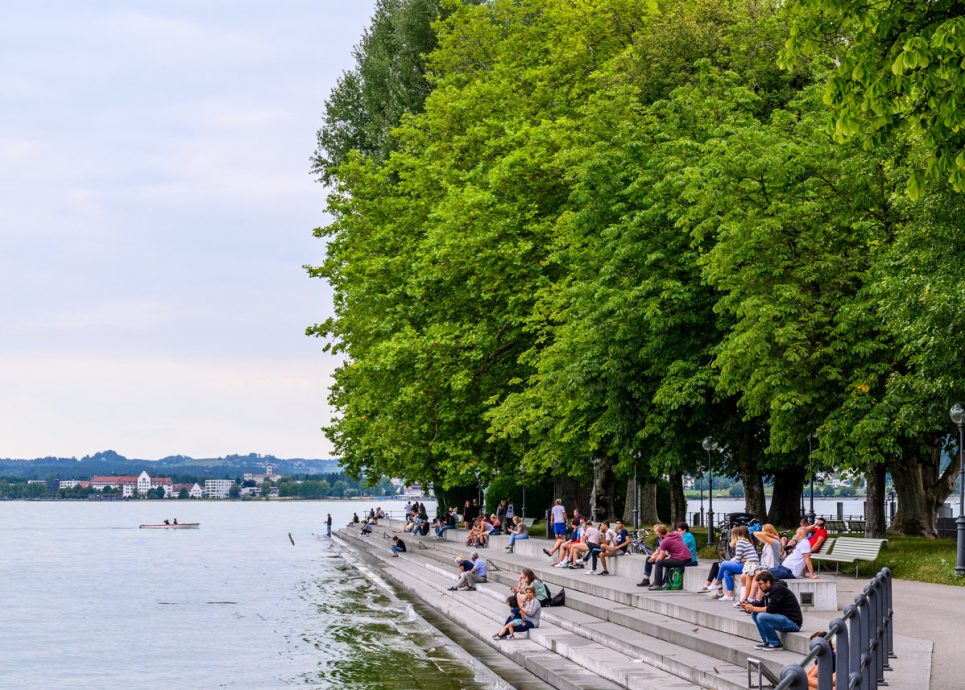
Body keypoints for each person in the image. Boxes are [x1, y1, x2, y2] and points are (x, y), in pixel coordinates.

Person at [739, 571, 803, 650]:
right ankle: (766, 641)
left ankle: (775, 643)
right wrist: (748, 606)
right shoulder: (769, 590)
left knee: (761, 616)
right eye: (758, 584)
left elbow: (771, 609)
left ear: (768, 582)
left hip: (793, 623)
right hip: (782, 619)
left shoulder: (778, 589)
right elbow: (761, 604)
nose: (759, 587)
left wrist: (753, 608)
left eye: (760, 584)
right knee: (755, 614)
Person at [714, 526, 759, 602]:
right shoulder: (744, 541)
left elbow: (737, 560)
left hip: (748, 566)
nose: (730, 537)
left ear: (734, 535)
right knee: (726, 571)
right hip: (748, 565)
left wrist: (736, 560)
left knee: (724, 564)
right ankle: (729, 594)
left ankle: (717, 582)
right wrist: (739, 560)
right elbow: (738, 559)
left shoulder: (740, 542)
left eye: (731, 535)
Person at [648, 524, 692, 590]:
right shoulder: (675, 534)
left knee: (658, 562)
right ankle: (666, 582)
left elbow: (660, 557)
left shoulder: (664, 541)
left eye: (657, 532)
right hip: (688, 557)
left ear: (659, 533)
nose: (656, 534)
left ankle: (657, 584)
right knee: (667, 561)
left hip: (681, 559)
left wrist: (653, 559)